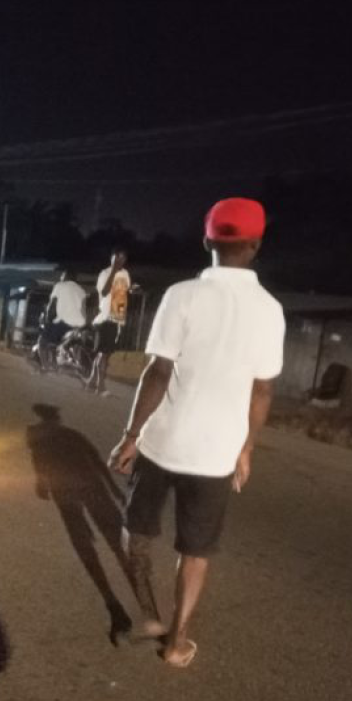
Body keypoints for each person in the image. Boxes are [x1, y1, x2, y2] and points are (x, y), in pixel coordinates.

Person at [109, 198, 285, 669]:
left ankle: (148, 615)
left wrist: (130, 436)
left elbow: (158, 373)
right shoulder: (271, 311)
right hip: (217, 452)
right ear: (257, 245)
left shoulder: (181, 296)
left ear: (207, 240)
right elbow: (263, 390)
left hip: (163, 440)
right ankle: (177, 641)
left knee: (137, 532)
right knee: (197, 550)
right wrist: (246, 447)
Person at [86, 247, 132, 396]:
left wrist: (132, 290)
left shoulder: (125, 274)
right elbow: (104, 292)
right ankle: (101, 386)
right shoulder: (104, 273)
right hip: (105, 318)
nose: (121, 261)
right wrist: (113, 271)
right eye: (118, 257)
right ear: (111, 258)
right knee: (104, 354)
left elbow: (123, 292)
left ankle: (92, 381)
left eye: (123, 258)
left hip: (117, 318)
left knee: (103, 353)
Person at [38, 270, 88, 372]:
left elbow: (52, 304)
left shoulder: (60, 285)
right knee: (55, 342)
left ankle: (45, 367)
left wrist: (47, 319)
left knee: (42, 342)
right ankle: (56, 364)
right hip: (79, 324)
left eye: (61, 276)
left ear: (65, 277)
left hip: (64, 322)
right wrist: (84, 324)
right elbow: (83, 309)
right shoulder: (81, 290)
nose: (60, 278)